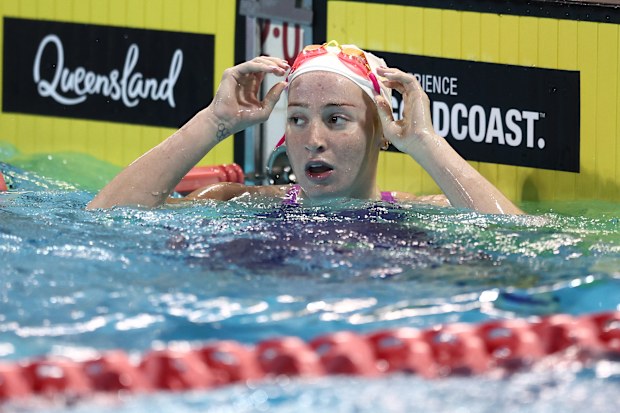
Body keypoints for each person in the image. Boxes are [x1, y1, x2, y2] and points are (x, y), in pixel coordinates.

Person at [87, 41, 522, 215]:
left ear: (379, 130)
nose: (313, 140)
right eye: (297, 119)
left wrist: (425, 143)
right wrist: (214, 122)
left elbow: (519, 241)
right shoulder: (233, 203)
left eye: (336, 119)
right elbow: (105, 219)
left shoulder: (426, 213)